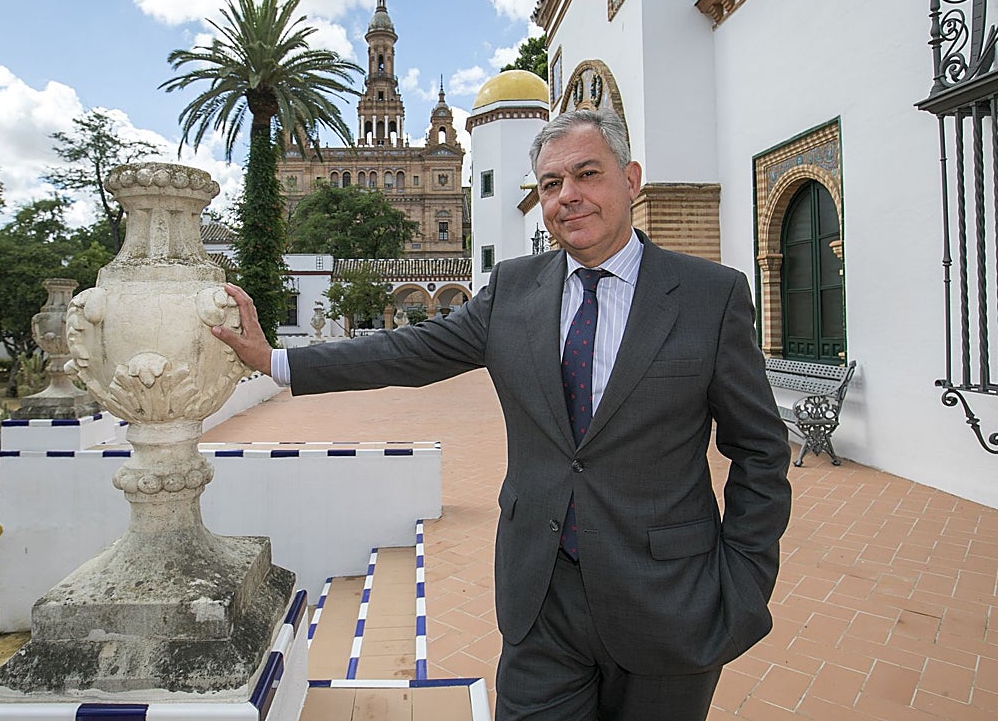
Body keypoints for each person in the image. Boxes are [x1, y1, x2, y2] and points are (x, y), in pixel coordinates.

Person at [212, 107, 791, 720]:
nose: (568, 196)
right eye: (551, 183)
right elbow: (409, 351)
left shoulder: (709, 295)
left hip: (668, 601)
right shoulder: (515, 289)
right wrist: (276, 361)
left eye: (587, 174)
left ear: (631, 180)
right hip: (542, 598)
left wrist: (743, 582)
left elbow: (759, 450)